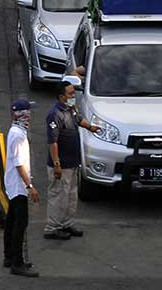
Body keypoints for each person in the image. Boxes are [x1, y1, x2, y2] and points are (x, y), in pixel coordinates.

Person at [45, 80, 99, 240]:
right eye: (70, 93)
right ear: (62, 96)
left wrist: (90, 127)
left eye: (73, 93)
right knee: (58, 196)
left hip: (73, 162)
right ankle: (52, 227)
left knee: (71, 196)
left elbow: (78, 119)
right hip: (62, 165)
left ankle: (67, 223)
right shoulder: (55, 114)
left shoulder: (70, 108)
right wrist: (56, 164)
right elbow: (52, 142)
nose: (73, 95)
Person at [4, 98, 40, 278]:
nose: (31, 115)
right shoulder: (17, 135)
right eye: (28, 112)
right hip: (18, 186)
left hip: (13, 184)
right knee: (20, 223)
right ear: (21, 115)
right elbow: (19, 165)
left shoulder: (16, 132)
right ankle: (17, 263)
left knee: (11, 221)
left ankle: (9, 256)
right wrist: (30, 186)